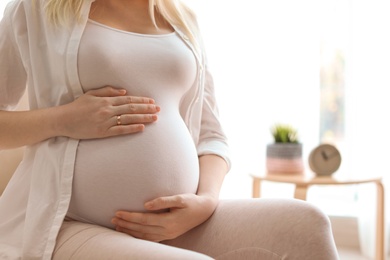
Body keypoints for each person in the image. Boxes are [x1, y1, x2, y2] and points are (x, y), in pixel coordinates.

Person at [0, 0, 340, 259]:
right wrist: (63, 118)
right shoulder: (39, 10)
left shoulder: (182, 21)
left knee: (307, 225)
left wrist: (205, 201)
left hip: (178, 225)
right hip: (71, 223)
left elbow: (212, 137)